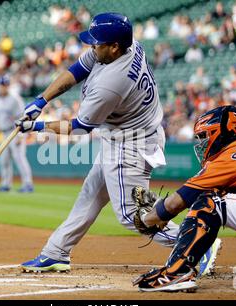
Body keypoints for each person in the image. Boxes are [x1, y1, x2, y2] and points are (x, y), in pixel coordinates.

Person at [15, 12, 220, 274]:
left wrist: (38, 126)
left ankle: (195, 243)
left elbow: (80, 128)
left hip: (131, 144)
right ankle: (56, 252)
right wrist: (41, 101)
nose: (91, 46)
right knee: (90, 195)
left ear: (113, 47)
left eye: (97, 43)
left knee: (131, 214)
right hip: (128, 135)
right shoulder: (127, 45)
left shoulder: (111, 84)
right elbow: (78, 69)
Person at [131, 105, 236, 292]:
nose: (202, 143)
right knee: (221, 195)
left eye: (206, 136)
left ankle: (176, 273)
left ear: (223, 133)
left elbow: (175, 204)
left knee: (210, 200)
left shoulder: (233, 155)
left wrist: (147, 219)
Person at [0, 76, 34, 193]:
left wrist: (21, 135)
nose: (2, 87)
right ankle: (6, 184)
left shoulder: (15, 99)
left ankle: (28, 184)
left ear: (8, 86)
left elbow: (23, 117)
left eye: (4, 85)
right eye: (0, 85)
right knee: (4, 160)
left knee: (19, 158)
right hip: (4, 133)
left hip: (15, 132)